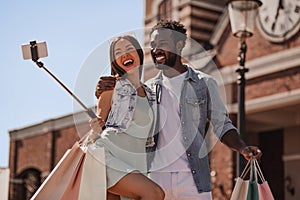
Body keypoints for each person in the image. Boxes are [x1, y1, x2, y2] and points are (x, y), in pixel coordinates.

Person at [95, 20, 262, 200]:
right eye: (153, 45)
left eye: (163, 44)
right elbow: (121, 118)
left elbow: (222, 126)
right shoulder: (147, 89)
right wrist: (104, 90)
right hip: (156, 178)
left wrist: (243, 148)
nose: (156, 50)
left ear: (179, 45)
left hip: (193, 181)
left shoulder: (204, 84)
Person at [89, 35, 165, 200]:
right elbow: (98, 125)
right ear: (114, 61)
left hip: (135, 162)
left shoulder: (152, 94)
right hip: (107, 155)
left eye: (129, 49)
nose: (124, 54)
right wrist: (95, 127)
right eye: (118, 52)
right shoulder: (111, 87)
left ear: (139, 53)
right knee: (154, 194)